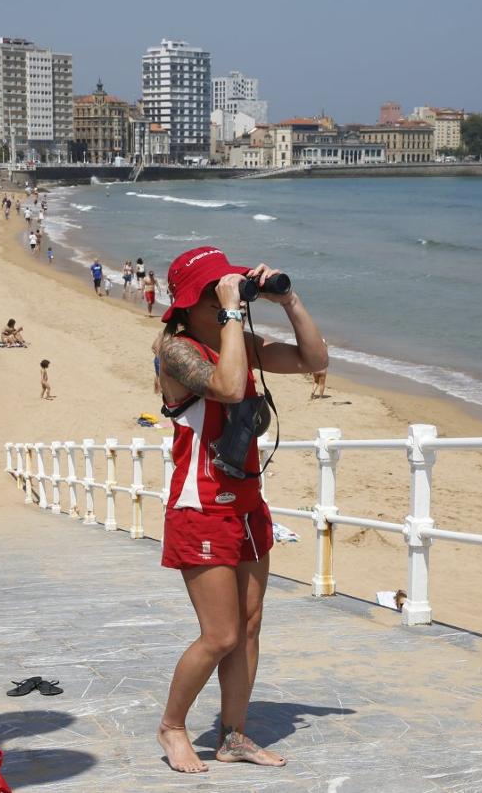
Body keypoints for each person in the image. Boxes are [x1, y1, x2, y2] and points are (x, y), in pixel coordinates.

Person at [154, 246, 328, 774]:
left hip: (248, 506)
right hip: (199, 507)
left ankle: (233, 735)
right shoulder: (174, 351)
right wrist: (233, 310)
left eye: (225, 288)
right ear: (189, 304)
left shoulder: (239, 342)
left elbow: (314, 361)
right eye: (213, 292)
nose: (224, 297)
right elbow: (229, 388)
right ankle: (173, 726)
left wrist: (289, 299)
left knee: (249, 627)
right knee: (221, 634)